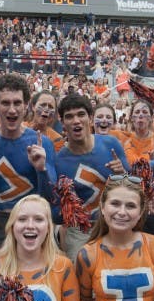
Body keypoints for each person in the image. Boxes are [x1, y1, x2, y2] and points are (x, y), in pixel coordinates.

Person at [0, 73, 57, 249]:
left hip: (35, 221)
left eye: (17, 103)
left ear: (26, 105)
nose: (12, 109)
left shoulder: (42, 143)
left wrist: (42, 170)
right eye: (5, 103)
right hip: (2, 222)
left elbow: (51, 196)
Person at [54, 94, 128, 258]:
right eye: (69, 117)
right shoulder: (59, 162)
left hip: (116, 223)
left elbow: (134, 189)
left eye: (81, 114)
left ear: (91, 117)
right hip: (81, 230)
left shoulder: (111, 144)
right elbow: (58, 210)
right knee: (79, 266)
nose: (76, 121)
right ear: (62, 123)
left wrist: (122, 173)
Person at [123, 98, 154, 164]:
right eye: (137, 112)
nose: (140, 115)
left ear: (151, 118)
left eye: (145, 112)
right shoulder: (124, 138)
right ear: (131, 118)